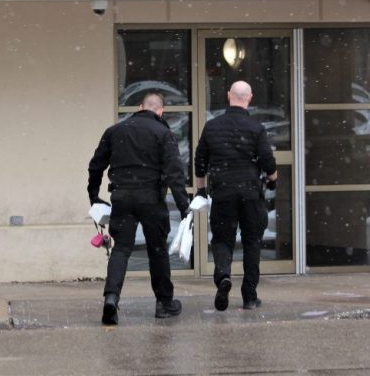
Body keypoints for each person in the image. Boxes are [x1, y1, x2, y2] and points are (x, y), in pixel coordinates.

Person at [88, 92, 190, 325]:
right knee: (157, 250)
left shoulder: (115, 131)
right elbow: (175, 173)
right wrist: (184, 206)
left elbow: (95, 166)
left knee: (121, 248)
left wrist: (94, 196)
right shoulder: (163, 133)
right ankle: (164, 304)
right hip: (151, 198)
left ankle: (111, 299)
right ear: (160, 111)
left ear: (140, 107)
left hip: (122, 196)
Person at [194, 80, 278, 311]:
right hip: (251, 193)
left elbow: (200, 161)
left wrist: (201, 189)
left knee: (222, 239)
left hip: (222, 192)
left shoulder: (212, 127)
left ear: (228, 95)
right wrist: (273, 178)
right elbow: (268, 162)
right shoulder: (256, 128)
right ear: (249, 98)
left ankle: (223, 277)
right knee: (252, 243)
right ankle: (249, 296)